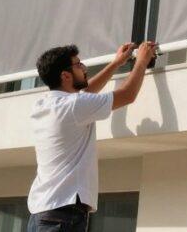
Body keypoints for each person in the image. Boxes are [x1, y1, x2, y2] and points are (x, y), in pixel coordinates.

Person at [26, 40, 158, 232]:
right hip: (62, 214)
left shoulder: (44, 105)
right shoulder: (73, 106)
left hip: (44, 213)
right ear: (65, 75)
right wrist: (142, 61)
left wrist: (116, 64)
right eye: (78, 65)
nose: (84, 68)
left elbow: (85, 93)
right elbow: (127, 94)